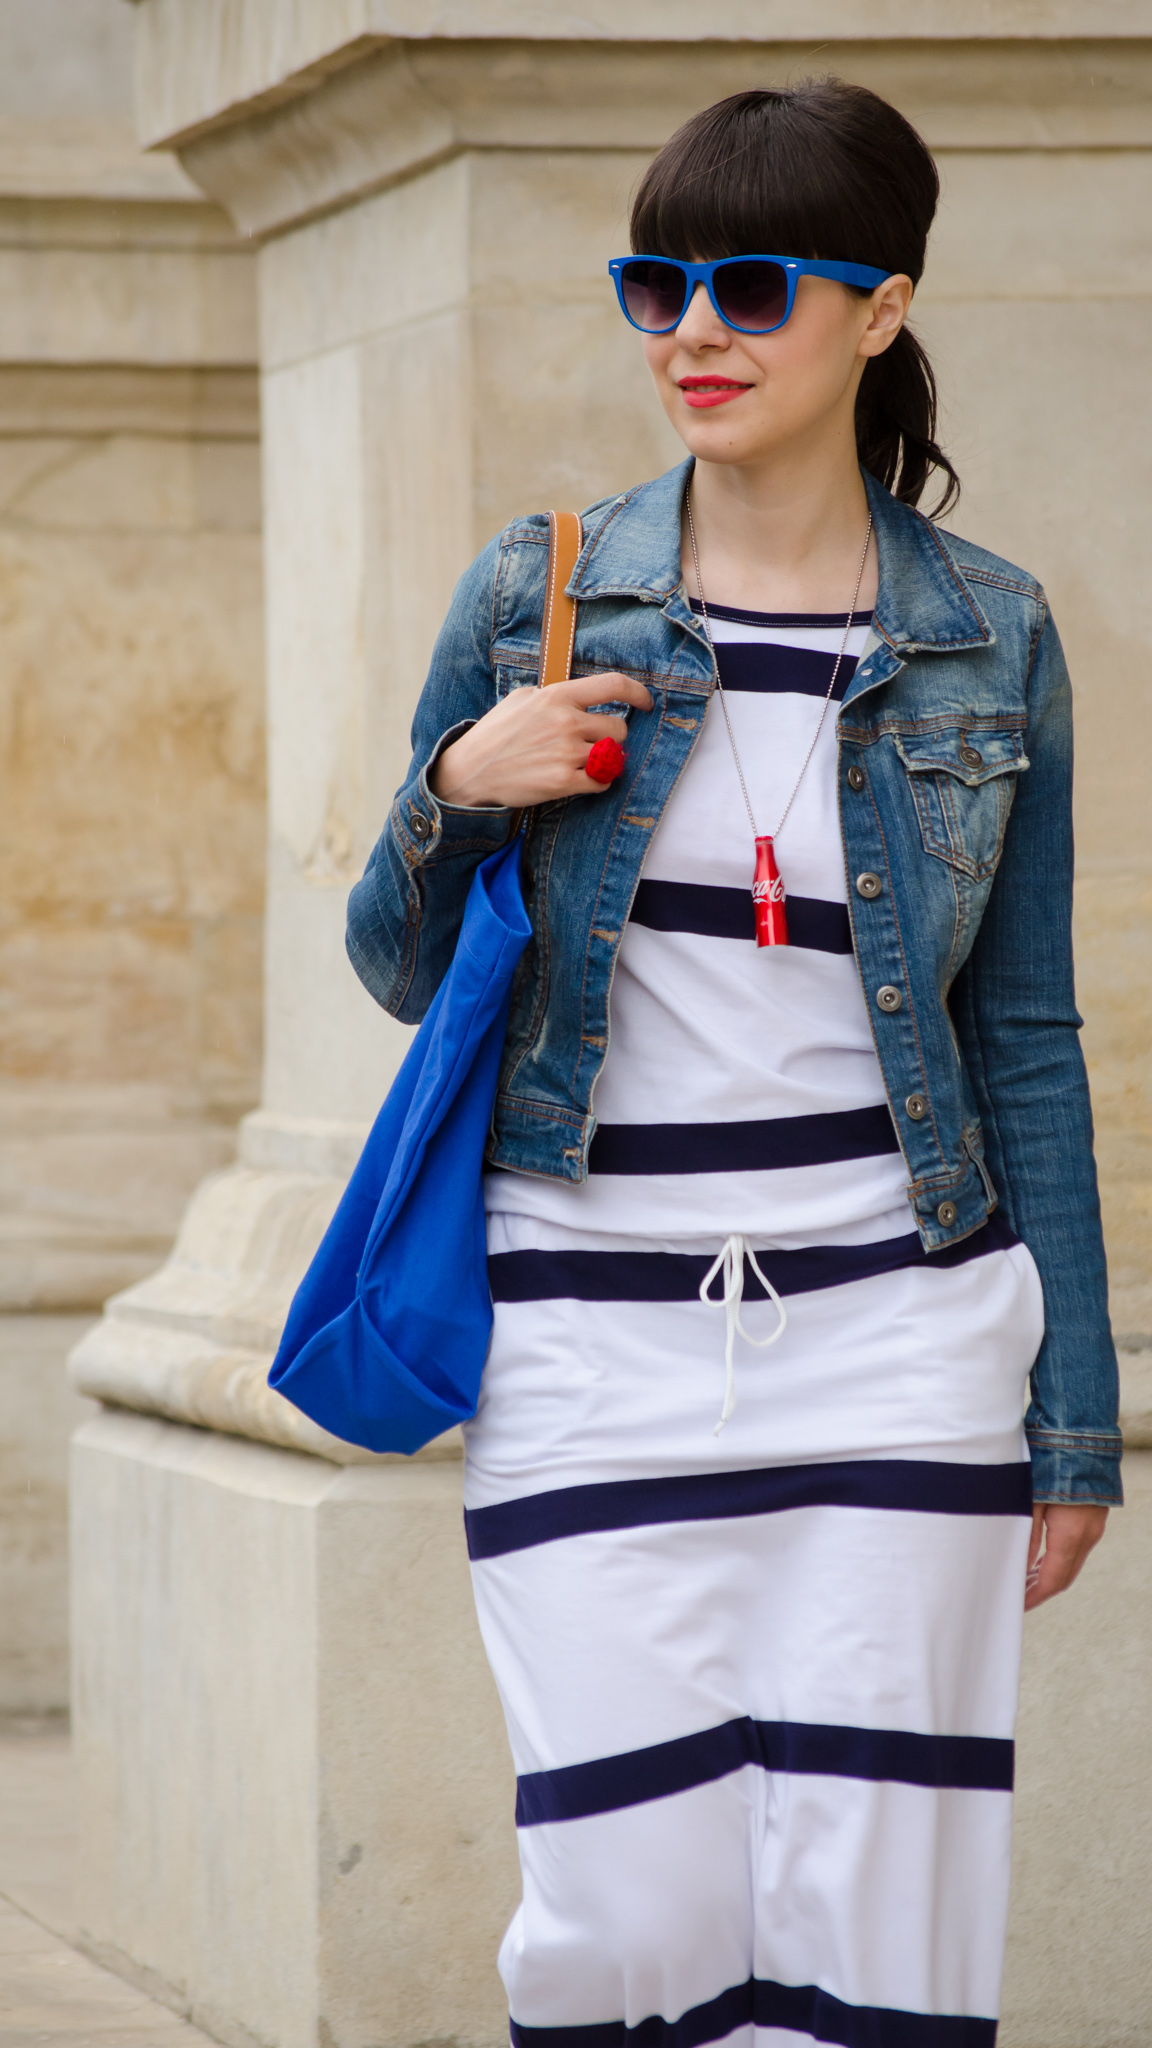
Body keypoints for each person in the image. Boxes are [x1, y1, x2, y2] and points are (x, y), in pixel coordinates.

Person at [347, 79, 1119, 2048]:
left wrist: (1075, 1414)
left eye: (752, 284)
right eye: (656, 281)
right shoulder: (540, 598)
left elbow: (1022, 1028)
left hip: (899, 1337)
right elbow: (393, 960)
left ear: (881, 307)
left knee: (884, 1917)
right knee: (615, 1913)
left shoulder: (994, 636)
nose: (693, 328)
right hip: (591, 1344)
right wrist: (456, 785)